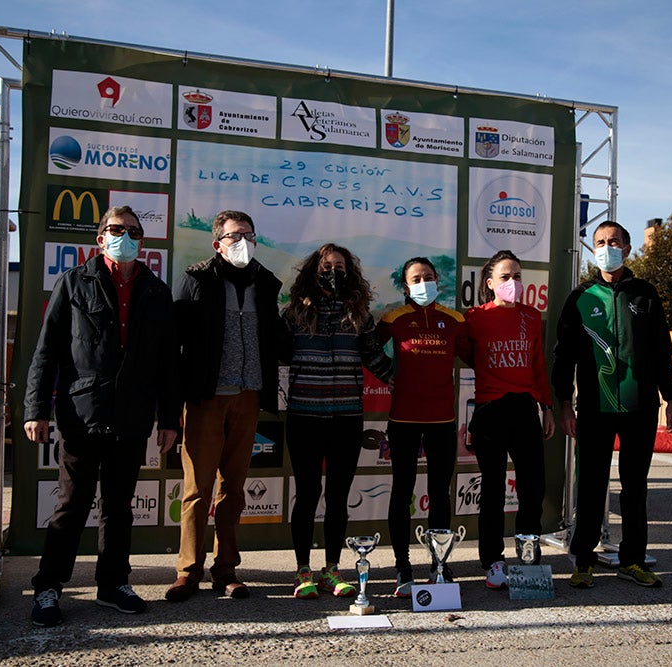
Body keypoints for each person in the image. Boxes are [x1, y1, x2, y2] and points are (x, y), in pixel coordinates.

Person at [23, 205, 177, 627]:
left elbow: (166, 364)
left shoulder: (155, 290)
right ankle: (49, 588)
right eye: (116, 229)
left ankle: (112, 585)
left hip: (131, 417)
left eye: (132, 230)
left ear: (142, 240)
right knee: (71, 506)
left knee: (119, 507)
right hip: (81, 413)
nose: (124, 235)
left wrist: (168, 419)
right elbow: (46, 352)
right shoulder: (73, 282)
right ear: (100, 238)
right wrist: (36, 409)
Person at [552, 221, 672, 590]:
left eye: (613, 241)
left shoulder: (645, 294)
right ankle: (583, 561)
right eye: (599, 242)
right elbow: (564, 356)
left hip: (641, 407)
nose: (606, 247)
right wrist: (564, 402)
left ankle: (633, 560)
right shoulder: (581, 297)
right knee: (591, 487)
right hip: (594, 408)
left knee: (635, 487)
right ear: (593, 250)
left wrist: (671, 398)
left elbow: (661, 349)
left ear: (626, 249)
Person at [164, 211, 283, 603]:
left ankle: (226, 570)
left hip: (249, 397)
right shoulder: (195, 278)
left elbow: (276, 339)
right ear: (217, 244)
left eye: (249, 235)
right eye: (234, 237)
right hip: (206, 398)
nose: (242, 242)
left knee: (233, 490)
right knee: (198, 490)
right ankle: (188, 572)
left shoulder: (266, 282)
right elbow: (174, 341)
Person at [281, 243, 394, 600]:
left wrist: (414, 378)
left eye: (341, 266)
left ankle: (332, 570)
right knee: (307, 493)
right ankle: (303, 571)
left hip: (346, 417)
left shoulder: (360, 315)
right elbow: (277, 355)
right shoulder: (294, 314)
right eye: (327, 265)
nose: (334, 271)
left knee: (339, 496)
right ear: (314, 271)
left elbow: (376, 360)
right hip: (303, 416)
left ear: (351, 272)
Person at [463, 249, 555, 590]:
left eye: (517, 275)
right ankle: (492, 560)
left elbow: (538, 366)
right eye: (505, 276)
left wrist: (546, 407)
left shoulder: (531, 316)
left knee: (532, 487)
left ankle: (528, 555)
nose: (513, 282)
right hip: (490, 410)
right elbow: (464, 353)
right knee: (493, 489)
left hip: (524, 408)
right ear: (490, 283)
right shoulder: (474, 317)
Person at [378, 257, 468, 597]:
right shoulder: (393, 318)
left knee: (440, 494)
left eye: (429, 277)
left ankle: (439, 565)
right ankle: (403, 567)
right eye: (416, 278)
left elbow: (472, 354)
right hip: (403, 419)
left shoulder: (455, 319)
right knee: (402, 492)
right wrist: (389, 374)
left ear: (438, 280)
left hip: (443, 420)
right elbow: (369, 347)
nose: (424, 282)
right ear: (405, 285)